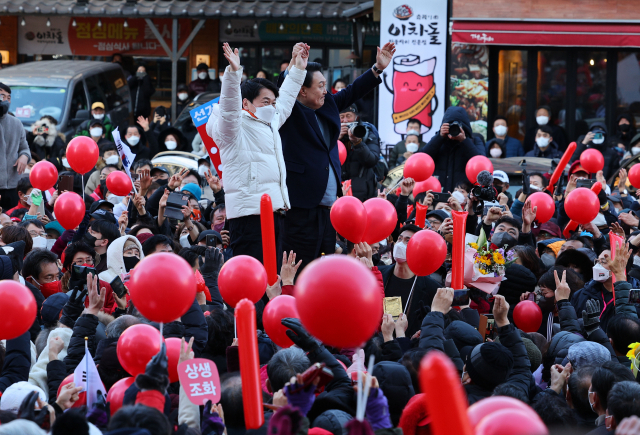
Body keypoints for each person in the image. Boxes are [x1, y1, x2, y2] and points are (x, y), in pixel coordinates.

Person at [277, 42, 396, 270]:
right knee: (301, 267)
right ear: (302, 90)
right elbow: (284, 87)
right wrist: (295, 65)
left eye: (325, 85)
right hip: (301, 205)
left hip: (330, 207)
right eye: (320, 86)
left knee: (324, 266)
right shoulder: (289, 109)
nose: (325, 90)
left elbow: (352, 90)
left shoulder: (327, 104)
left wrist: (377, 68)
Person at [205, 42, 307, 267]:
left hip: (275, 213)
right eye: (265, 102)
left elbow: (287, 99)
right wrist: (233, 75)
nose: (271, 106)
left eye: (272, 102)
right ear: (247, 103)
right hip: (248, 217)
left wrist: (298, 69)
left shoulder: (270, 123)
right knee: (252, 279)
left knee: (273, 279)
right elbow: (230, 109)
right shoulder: (232, 128)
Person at [377, 224, 439, 337]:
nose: (400, 244)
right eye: (399, 239)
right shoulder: (378, 274)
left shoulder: (431, 288)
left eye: (407, 240)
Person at [420, 106, 484, 194]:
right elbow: (422, 159)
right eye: (450, 126)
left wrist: (464, 141)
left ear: (464, 127)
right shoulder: (438, 140)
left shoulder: (474, 141)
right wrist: (440, 136)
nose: (453, 129)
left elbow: (481, 164)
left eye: (457, 127)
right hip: (439, 194)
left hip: (464, 196)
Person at [338, 104, 381, 202]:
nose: (345, 121)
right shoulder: (330, 134)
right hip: (338, 191)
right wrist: (335, 140)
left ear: (356, 117)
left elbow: (372, 161)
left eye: (348, 116)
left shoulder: (367, 133)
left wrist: (358, 142)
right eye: (341, 117)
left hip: (363, 193)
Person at [0, 82, 31, 211]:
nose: (6, 100)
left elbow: (24, 148)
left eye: (9, 97)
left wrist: (24, 156)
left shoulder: (16, 123)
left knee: (11, 222)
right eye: (2, 96)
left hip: (13, 186)